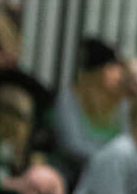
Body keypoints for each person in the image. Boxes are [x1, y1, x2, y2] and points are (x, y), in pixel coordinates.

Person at [50, 37, 132, 169]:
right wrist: (105, 161)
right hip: (77, 171)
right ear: (96, 73)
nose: (119, 75)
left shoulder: (123, 103)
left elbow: (127, 140)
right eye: (111, 69)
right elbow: (72, 144)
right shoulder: (70, 98)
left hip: (114, 170)